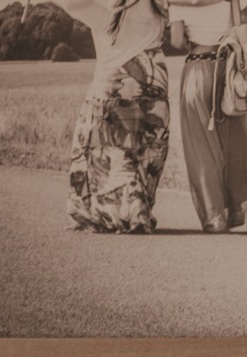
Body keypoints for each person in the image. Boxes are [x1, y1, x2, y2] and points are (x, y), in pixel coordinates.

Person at [59, 0, 174, 233]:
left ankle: (117, 212)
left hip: (115, 79)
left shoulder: (106, 8)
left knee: (106, 147)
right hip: (153, 79)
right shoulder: (157, 5)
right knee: (145, 149)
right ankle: (137, 209)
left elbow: (70, 4)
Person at [170, 0, 247, 231]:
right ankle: (235, 211)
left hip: (197, 71)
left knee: (200, 146)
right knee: (234, 144)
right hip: (230, 73)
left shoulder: (177, 1)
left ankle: (214, 217)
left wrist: (191, 39)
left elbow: (176, 41)